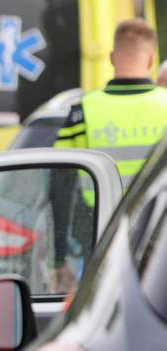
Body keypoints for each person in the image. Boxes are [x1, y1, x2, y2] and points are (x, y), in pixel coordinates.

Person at [49, 18, 167, 290]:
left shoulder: (82, 112)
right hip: (158, 243)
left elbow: (60, 187)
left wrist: (59, 257)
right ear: (150, 60)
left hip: (98, 243)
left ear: (113, 58)